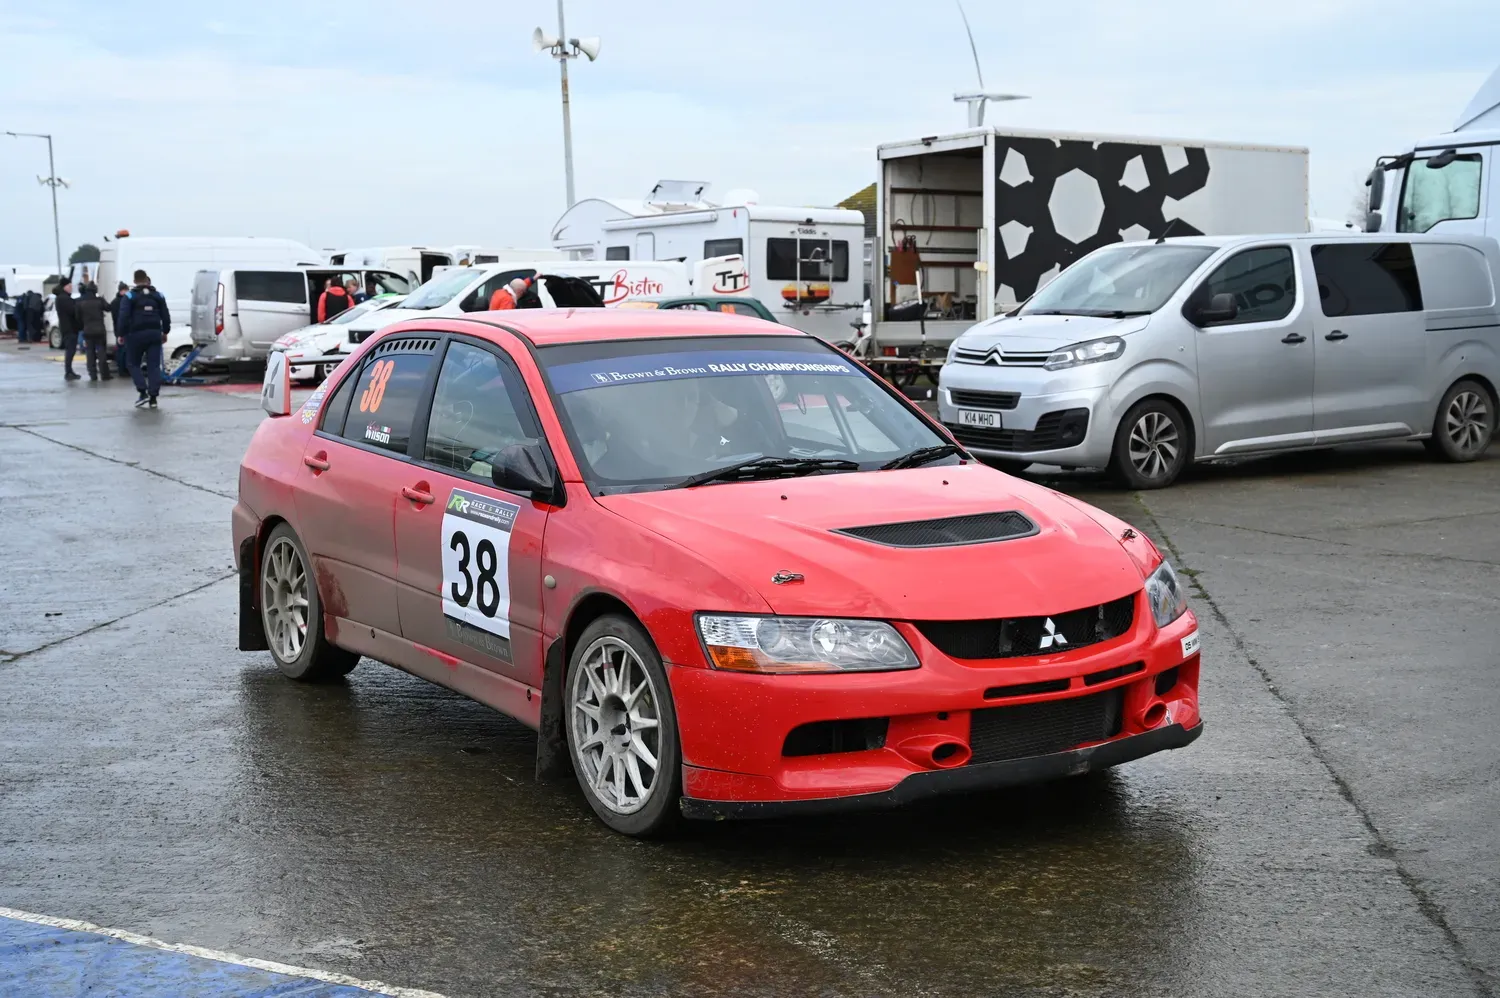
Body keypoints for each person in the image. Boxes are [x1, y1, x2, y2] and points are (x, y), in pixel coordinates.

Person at [116, 268, 170, 408]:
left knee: (132, 363)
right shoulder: (158, 295)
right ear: (146, 279)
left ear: (134, 281)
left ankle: (142, 391)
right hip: (154, 334)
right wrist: (165, 332)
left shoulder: (129, 296)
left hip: (135, 335)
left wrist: (121, 334)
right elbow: (165, 315)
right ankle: (153, 398)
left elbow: (123, 317)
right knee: (153, 366)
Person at [74, 283, 113, 381]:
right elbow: (109, 308)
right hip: (100, 331)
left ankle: (93, 374)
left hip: (87, 331)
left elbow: (77, 317)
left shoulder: (80, 302)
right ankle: (104, 374)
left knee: (90, 352)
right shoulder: (99, 301)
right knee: (101, 352)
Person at [54, 277, 81, 380]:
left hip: (68, 327)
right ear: (64, 287)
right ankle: (68, 371)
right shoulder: (63, 298)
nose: (71, 288)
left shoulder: (63, 298)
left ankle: (69, 371)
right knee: (70, 350)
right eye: (69, 286)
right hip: (69, 327)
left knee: (71, 350)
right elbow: (72, 310)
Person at [109, 281, 131, 374]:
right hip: (123, 329)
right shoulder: (122, 302)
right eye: (126, 290)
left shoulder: (114, 301)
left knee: (121, 350)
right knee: (123, 350)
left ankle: (122, 369)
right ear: (122, 290)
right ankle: (123, 369)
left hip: (118, 329)